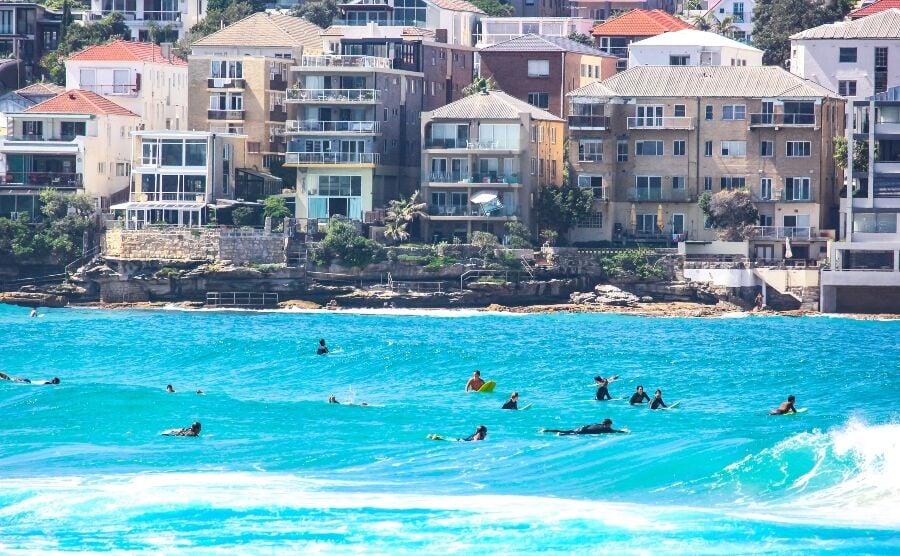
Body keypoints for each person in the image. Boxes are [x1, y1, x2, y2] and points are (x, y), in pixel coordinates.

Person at [541, 418, 627, 436]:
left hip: (582, 427)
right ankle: (561, 435)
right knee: (571, 434)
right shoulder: (605, 428)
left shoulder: (598, 424)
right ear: (608, 424)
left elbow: (589, 425)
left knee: (567, 430)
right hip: (583, 431)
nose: (610, 426)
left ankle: (547, 430)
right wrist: (623, 431)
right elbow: (615, 431)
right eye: (610, 424)